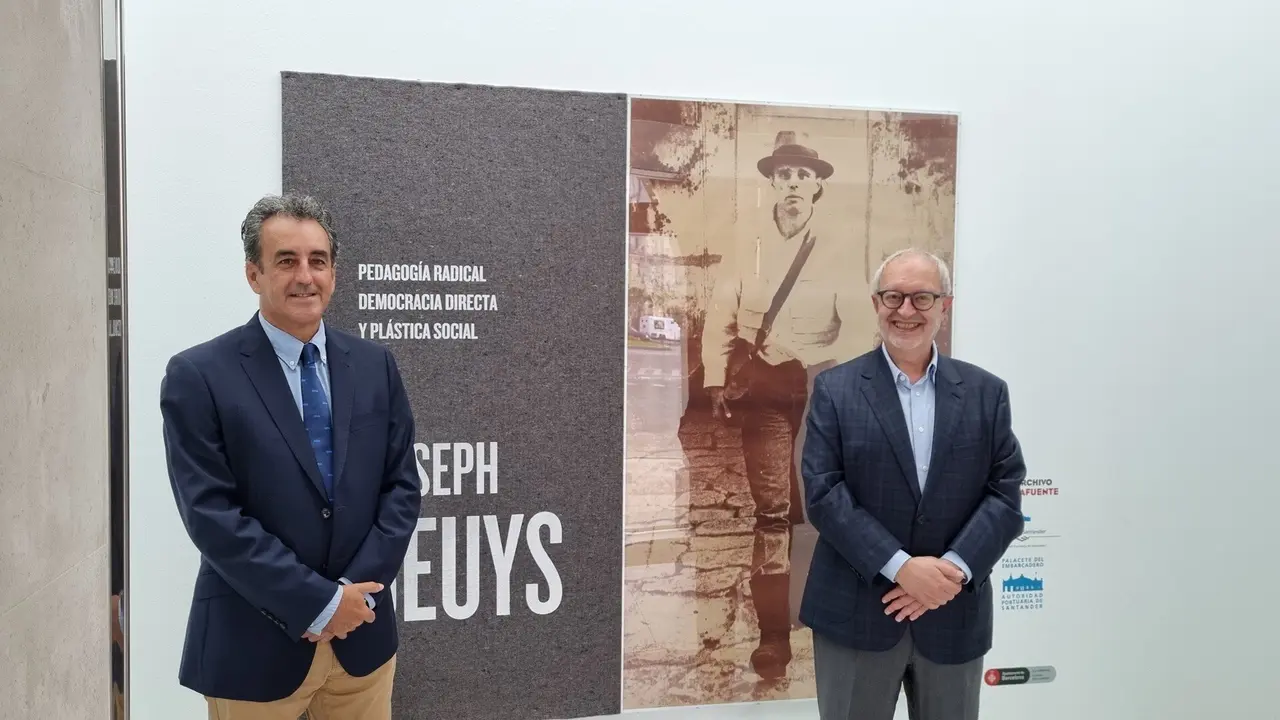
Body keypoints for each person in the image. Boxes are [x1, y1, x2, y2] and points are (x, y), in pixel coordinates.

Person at [159, 194, 422, 719]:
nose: (305, 276)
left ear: (333, 273)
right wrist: (318, 604)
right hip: (254, 647)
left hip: (361, 646)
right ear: (253, 274)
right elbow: (212, 517)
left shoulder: (374, 366)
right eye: (286, 261)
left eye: (317, 261)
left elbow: (401, 488)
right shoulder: (199, 376)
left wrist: (350, 599)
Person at [798, 248, 1026, 719]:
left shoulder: (987, 393)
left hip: (953, 611)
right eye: (893, 297)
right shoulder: (834, 389)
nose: (906, 311)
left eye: (922, 298)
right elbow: (823, 493)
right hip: (855, 613)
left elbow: (1004, 493)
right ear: (876, 303)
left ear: (945, 305)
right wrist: (900, 567)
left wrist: (954, 570)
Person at [701, 130, 862, 679]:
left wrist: (823, 370)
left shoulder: (838, 247)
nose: (794, 184)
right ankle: (774, 638)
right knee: (771, 511)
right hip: (766, 396)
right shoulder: (749, 244)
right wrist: (717, 381)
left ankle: (830, 619)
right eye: (785, 175)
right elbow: (721, 316)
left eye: (803, 176)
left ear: (817, 187)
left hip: (822, 393)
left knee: (821, 508)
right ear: (773, 183)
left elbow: (859, 329)